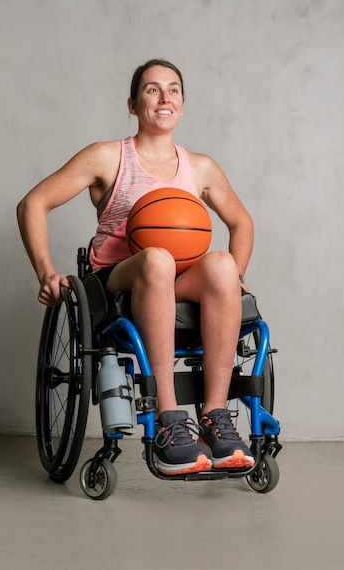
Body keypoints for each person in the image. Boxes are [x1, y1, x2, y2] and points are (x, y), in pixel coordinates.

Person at [17, 58, 255, 475]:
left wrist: (238, 272)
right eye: (152, 89)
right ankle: (168, 418)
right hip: (119, 280)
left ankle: (215, 416)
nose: (164, 98)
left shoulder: (200, 167)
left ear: (183, 103)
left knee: (220, 265)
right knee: (158, 259)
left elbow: (241, 223)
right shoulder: (107, 157)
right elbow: (32, 203)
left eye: (174, 89)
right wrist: (45, 272)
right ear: (133, 104)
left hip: (178, 279)